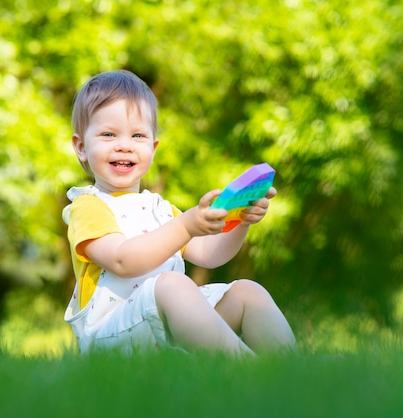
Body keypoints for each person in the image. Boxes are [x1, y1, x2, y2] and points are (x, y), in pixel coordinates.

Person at [62, 69, 295, 356]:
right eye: (108, 134)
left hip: (160, 328)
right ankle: (250, 371)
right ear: (82, 147)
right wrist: (186, 225)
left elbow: (211, 254)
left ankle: (292, 370)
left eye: (137, 135)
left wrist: (240, 221)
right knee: (173, 285)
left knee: (248, 292)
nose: (124, 145)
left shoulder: (160, 209)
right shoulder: (88, 206)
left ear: (153, 146)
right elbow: (122, 260)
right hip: (112, 335)